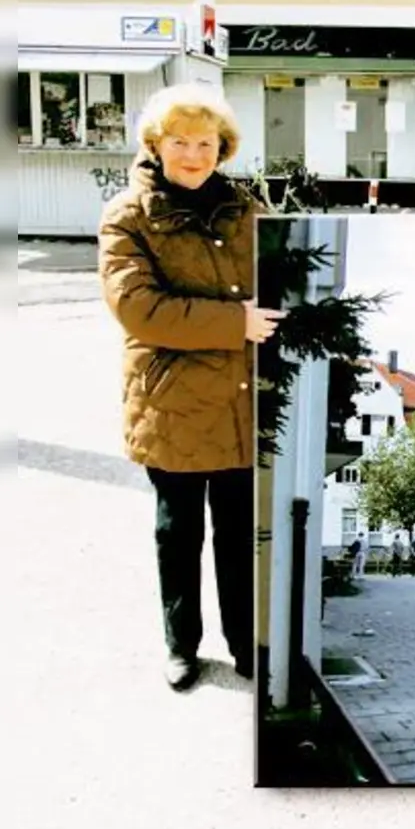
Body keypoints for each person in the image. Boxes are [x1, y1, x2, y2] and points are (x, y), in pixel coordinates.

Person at [99, 82, 284, 692]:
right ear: (156, 143)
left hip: (239, 399)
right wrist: (238, 323)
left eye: (205, 142)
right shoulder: (129, 215)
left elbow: (283, 271)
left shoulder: (244, 206)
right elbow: (138, 309)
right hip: (172, 402)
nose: (193, 154)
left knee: (239, 535)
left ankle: (245, 644)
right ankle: (182, 646)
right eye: (180, 141)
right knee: (178, 534)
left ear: (222, 148)